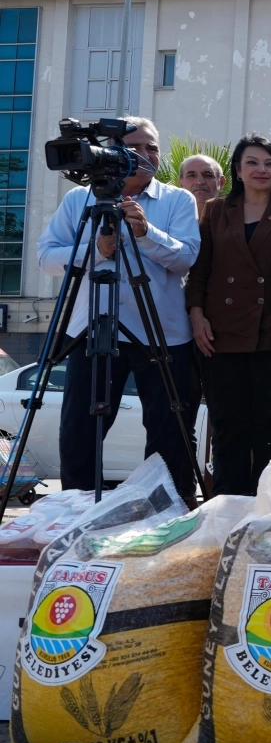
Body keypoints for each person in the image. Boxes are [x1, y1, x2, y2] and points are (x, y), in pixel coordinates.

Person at [37, 117, 200, 498]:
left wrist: (146, 233)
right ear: (111, 152)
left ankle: (168, 507)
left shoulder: (177, 200)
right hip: (93, 328)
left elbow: (186, 258)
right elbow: (47, 258)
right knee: (80, 429)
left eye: (152, 147)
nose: (145, 154)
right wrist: (95, 250)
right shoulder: (78, 199)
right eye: (135, 147)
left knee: (170, 428)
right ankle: (78, 507)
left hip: (162, 332)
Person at [187, 134, 271, 497]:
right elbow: (200, 269)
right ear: (237, 169)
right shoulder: (216, 210)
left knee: (269, 428)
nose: (261, 170)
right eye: (252, 162)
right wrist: (197, 315)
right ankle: (226, 505)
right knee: (228, 426)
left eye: (270, 163)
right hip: (220, 333)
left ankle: (267, 506)